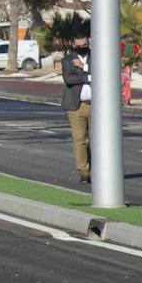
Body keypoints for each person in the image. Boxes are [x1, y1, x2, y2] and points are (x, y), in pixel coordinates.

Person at [62, 31, 93, 185]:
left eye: (85, 45)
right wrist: (89, 76)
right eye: (79, 46)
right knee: (79, 138)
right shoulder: (68, 59)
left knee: (96, 140)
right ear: (74, 45)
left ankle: (95, 167)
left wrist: (84, 67)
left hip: (96, 106)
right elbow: (69, 79)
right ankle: (84, 171)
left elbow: (103, 73)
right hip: (76, 106)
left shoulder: (97, 56)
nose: (82, 48)